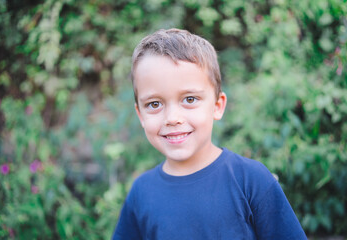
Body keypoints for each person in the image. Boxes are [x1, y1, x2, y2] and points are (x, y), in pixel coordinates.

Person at [112, 28, 307, 240]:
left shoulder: (252, 181)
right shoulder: (141, 194)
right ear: (140, 114)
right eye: (154, 104)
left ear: (217, 105)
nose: (172, 118)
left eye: (189, 99)